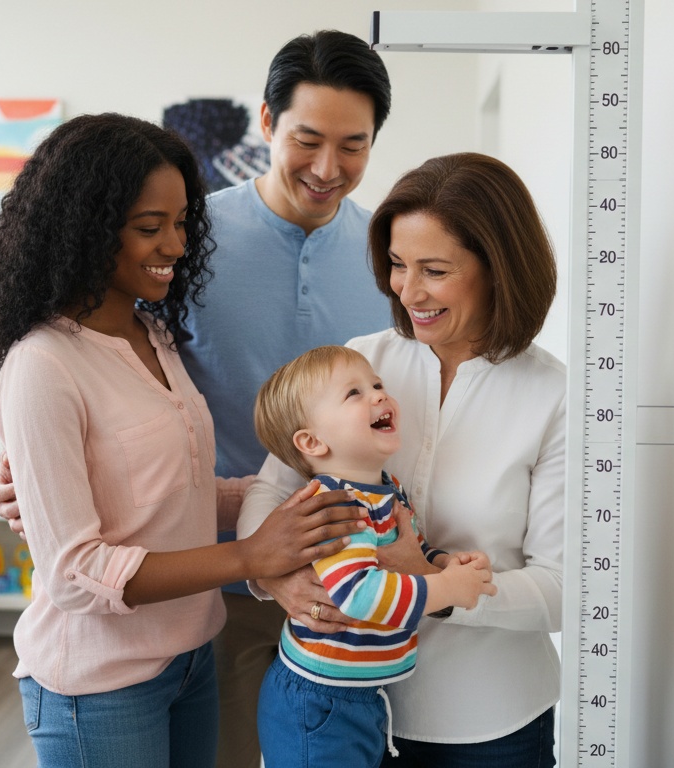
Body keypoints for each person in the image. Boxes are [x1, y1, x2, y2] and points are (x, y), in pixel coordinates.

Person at [0, 30, 397, 768]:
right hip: (214, 600)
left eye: (354, 146)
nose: (328, 168)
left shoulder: (382, 257)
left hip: (340, 587)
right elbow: (76, 436)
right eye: (308, 138)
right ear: (267, 123)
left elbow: (158, 452)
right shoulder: (180, 260)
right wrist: (37, 484)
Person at [239, 153, 564, 767]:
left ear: (499, 270)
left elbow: (561, 588)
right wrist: (278, 578)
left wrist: (438, 588)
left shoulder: (556, 396)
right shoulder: (362, 363)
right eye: (395, 264)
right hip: (340, 711)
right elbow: (272, 488)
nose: (406, 290)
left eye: (434, 270)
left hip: (489, 725)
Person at [252, 345, 497, 767]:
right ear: (312, 441)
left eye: (377, 385)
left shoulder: (385, 489)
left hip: (359, 694)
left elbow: (406, 551)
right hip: (320, 704)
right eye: (354, 393)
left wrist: (441, 563)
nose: (379, 396)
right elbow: (360, 595)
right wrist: (447, 588)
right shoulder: (335, 505)